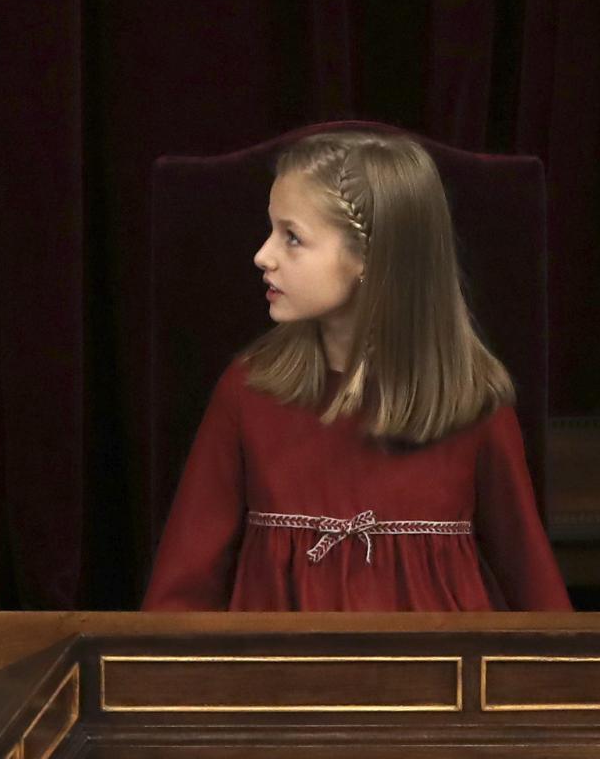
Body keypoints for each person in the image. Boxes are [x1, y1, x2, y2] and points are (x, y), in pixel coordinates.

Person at [142, 130, 570, 611]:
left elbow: (535, 589)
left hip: (438, 661)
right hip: (279, 662)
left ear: (369, 257)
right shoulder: (248, 392)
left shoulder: (473, 401)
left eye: (292, 237)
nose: (263, 255)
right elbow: (181, 594)